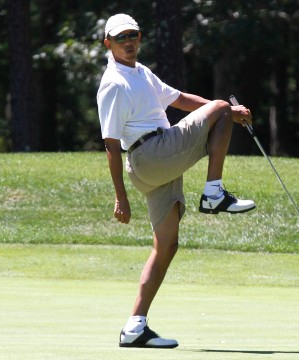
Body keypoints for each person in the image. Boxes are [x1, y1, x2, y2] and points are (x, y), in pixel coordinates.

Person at [96, 13, 256, 349]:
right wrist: (119, 198)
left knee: (166, 245)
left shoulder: (141, 73)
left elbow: (180, 99)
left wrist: (231, 113)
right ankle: (213, 193)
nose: (129, 42)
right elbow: (111, 145)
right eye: (121, 37)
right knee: (220, 108)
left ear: (139, 38)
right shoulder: (114, 83)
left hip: (159, 161)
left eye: (134, 36)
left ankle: (135, 326)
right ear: (108, 43)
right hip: (149, 156)